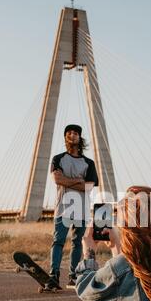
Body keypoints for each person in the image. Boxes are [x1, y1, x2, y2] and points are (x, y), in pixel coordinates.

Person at [46, 124, 98, 290]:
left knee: (77, 242)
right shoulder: (58, 158)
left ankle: (73, 276)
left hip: (81, 208)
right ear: (65, 137)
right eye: (69, 132)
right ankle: (53, 275)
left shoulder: (88, 163)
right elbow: (57, 180)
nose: (72, 135)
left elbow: (89, 187)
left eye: (75, 133)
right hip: (63, 207)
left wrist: (68, 180)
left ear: (79, 137)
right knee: (58, 241)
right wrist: (79, 181)